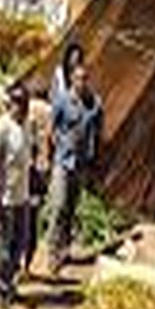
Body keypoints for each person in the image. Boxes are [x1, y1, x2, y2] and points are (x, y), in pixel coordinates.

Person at [47, 62, 103, 276]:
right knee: (58, 206)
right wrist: (53, 151)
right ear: (71, 79)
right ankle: (52, 255)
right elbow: (52, 128)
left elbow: (98, 130)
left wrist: (93, 157)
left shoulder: (94, 103)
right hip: (63, 162)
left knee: (71, 209)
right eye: (78, 78)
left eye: (85, 78)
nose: (82, 82)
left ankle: (64, 251)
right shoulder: (62, 101)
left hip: (80, 164)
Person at [0, 83, 32, 309]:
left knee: (20, 242)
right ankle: (1, 290)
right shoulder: (1, 128)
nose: (23, 108)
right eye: (19, 103)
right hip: (5, 198)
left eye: (25, 103)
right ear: (10, 104)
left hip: (22, 196)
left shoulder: (26, 125)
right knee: (4, 245)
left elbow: (29, 156)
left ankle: (10, 283)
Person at [21, 88, 52, 278]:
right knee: (28, 229)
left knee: (28, 230)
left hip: (30, 190)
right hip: (25, 194)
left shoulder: (37, 172)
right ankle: (22, 267)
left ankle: (23, 267)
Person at [50, 42, 84, 106]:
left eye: (77, 58)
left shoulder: (79, 73)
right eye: (73, 57)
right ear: (68, 56)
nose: (75, 61)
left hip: (73, 104)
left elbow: (81, 91)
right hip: (60, 102)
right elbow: (53, 89)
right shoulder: (59, 71)